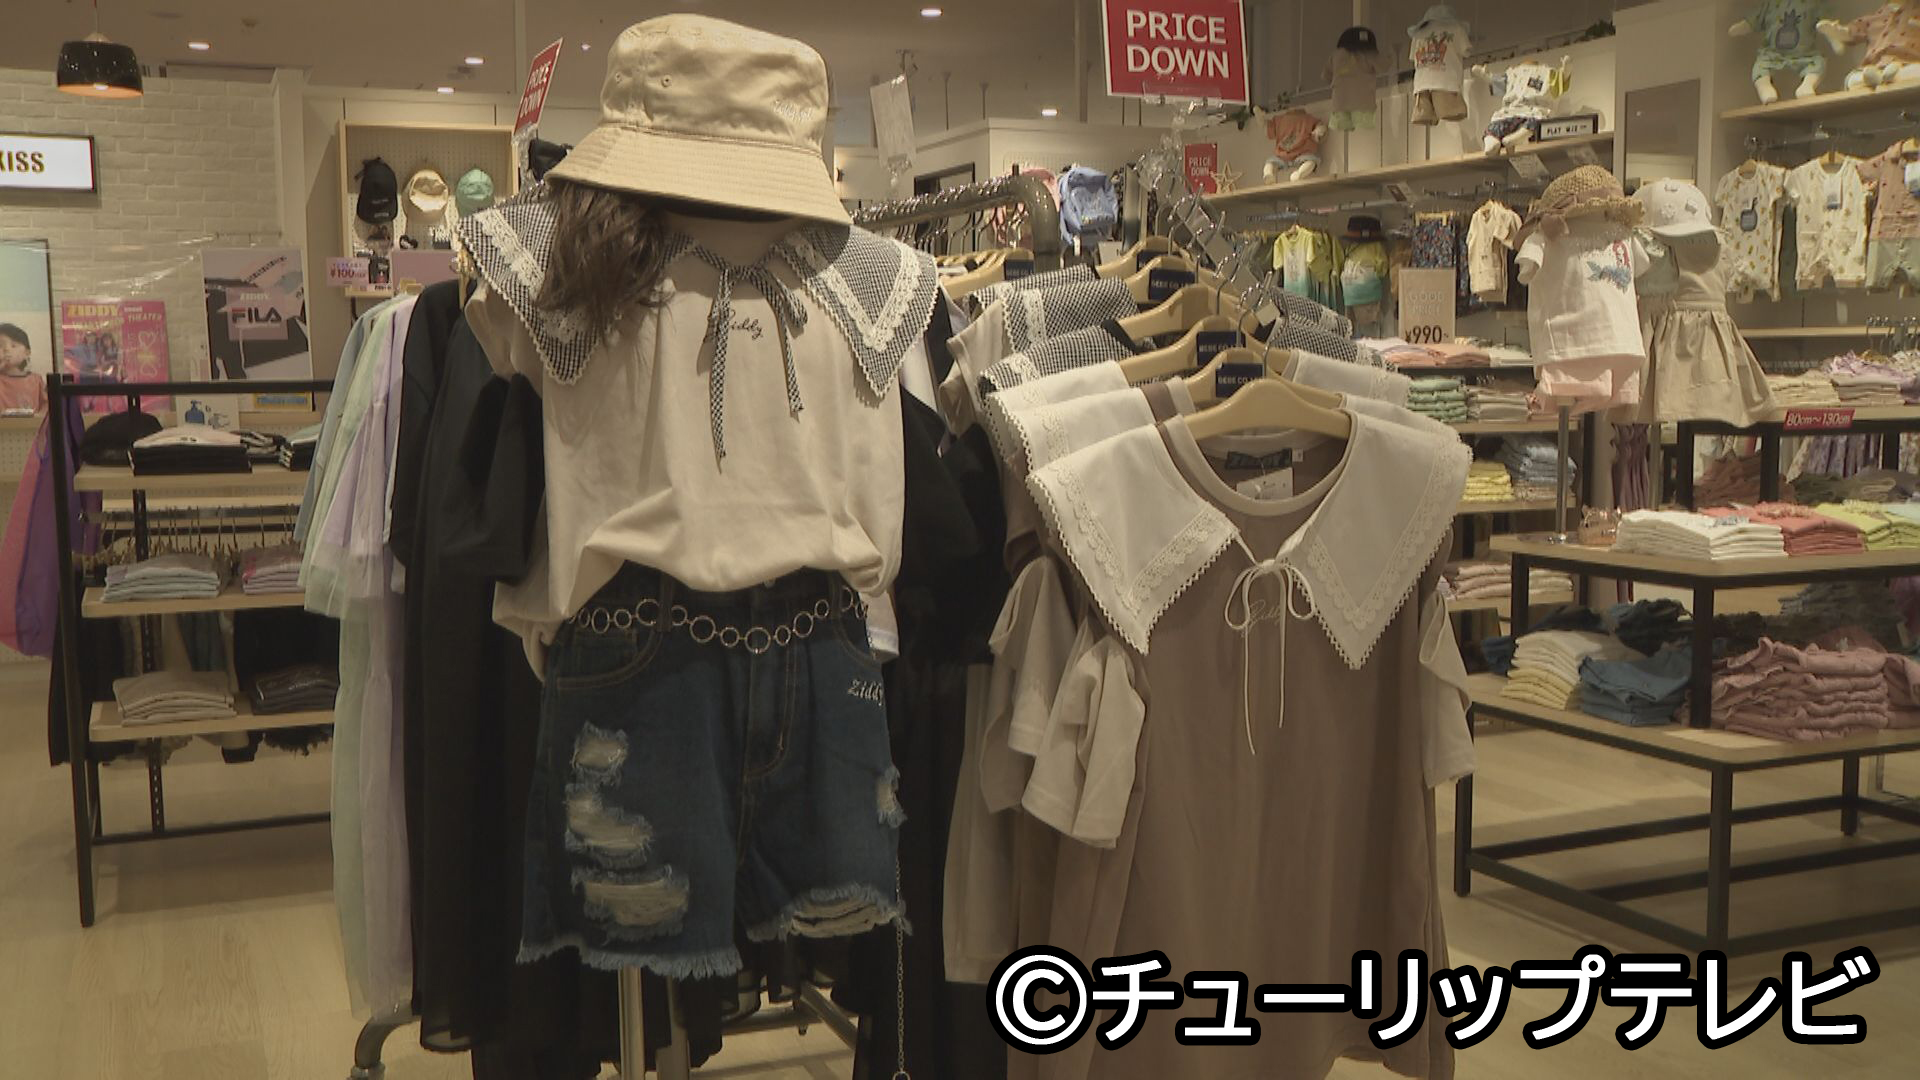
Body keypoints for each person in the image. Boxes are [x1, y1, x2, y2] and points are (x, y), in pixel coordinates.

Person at [0, 322, 47, 415]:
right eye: (0, 346)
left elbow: (47, 405)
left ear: (27, 353)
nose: (6, 350)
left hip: (32, 424)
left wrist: (39, 418)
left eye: (13, 345)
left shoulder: (36, 380)